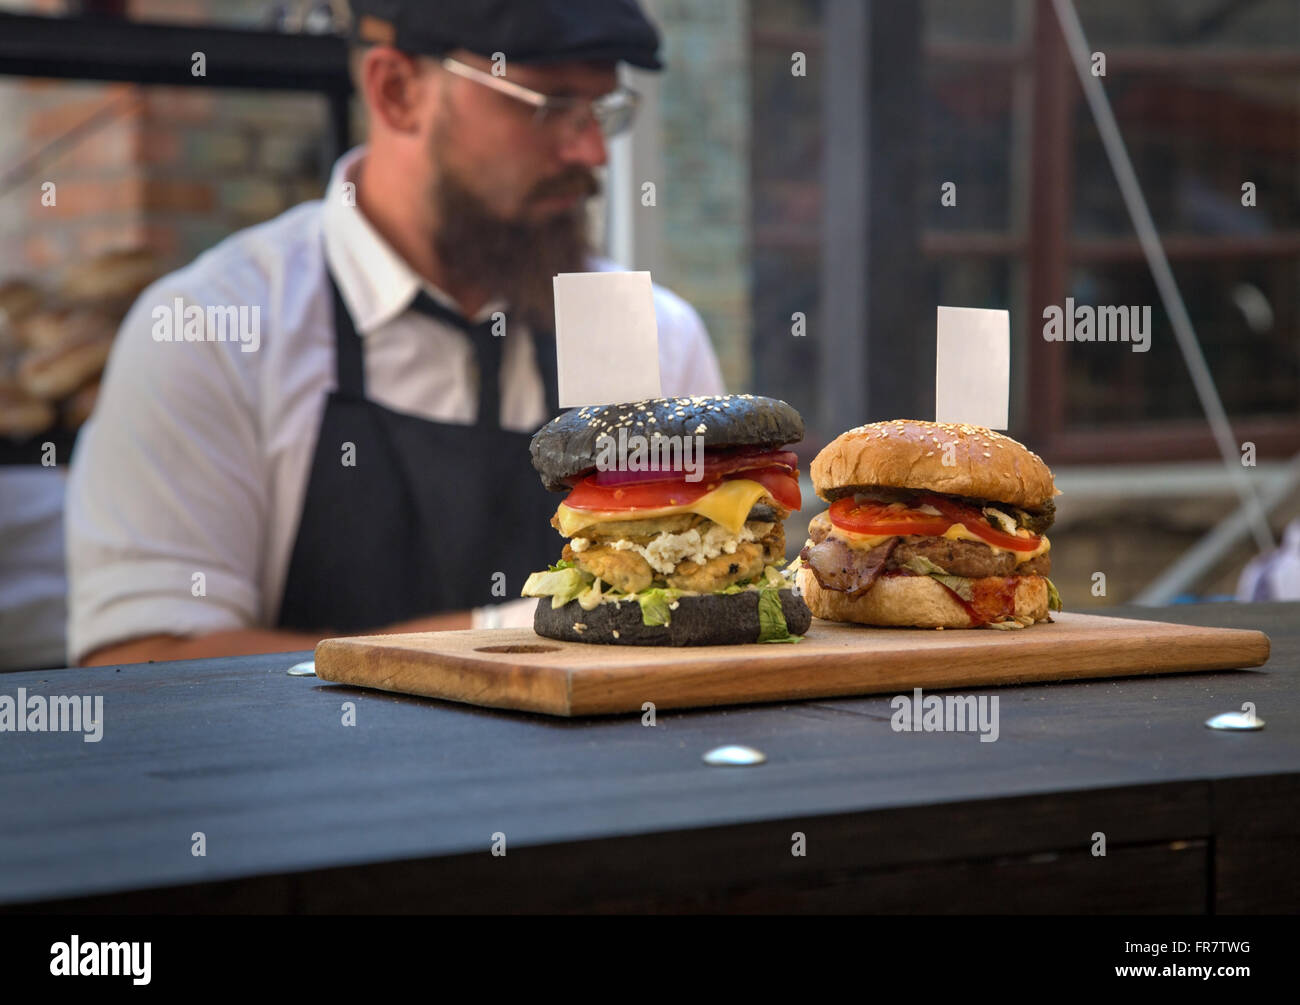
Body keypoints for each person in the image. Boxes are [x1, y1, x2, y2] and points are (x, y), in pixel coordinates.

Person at [65, 0, 724, 666]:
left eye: (603, 110)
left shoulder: (643, 333)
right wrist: (509, 633)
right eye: (549, 104)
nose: (590, 150)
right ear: (397, 91)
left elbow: (697, 616)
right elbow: (139, 666)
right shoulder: (216, 332)